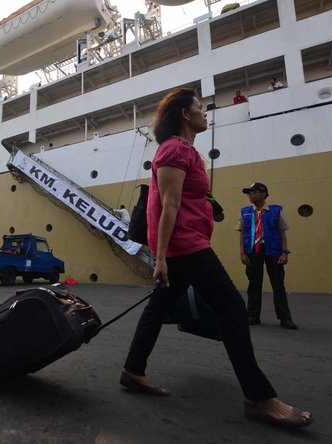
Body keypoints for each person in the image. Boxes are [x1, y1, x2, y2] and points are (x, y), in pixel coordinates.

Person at [120, 88, 313, 428]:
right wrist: (161, 257)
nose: (205, 113)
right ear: (184, 114)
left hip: (183, 244)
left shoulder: (184, 150)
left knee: (158, 307)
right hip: (185, 244)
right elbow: (169, 205)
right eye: (200, 108)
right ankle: (258, 396)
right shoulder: (175, 149)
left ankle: (133, 371)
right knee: (232, 309)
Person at [237, 182, 296, 329]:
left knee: (278, 284)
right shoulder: (245, 212)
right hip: (253, 251)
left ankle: (285, 318)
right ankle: (252, 315)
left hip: (273, 251)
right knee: (254, 283)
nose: (250, 195)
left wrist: (284, 252)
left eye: (253, 192)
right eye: (248, 193)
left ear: (263, 193)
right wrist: (242, 253)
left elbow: (282, 233)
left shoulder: (275, 211)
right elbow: (242, 233)